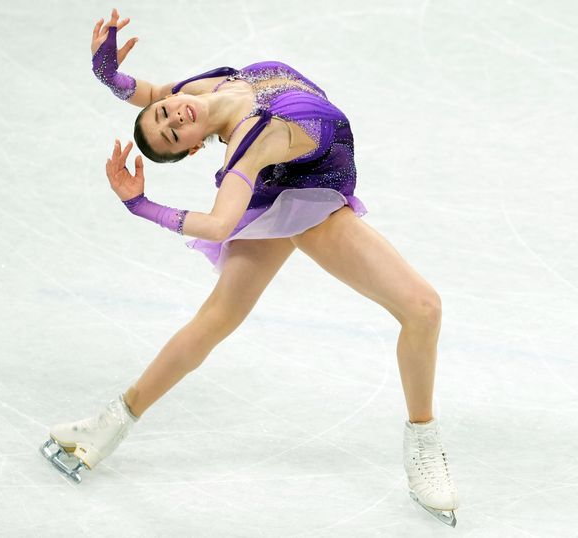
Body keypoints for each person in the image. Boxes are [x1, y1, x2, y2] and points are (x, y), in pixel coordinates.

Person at [39, 8, 459, 527]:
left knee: (219, 319)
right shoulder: (250, 140)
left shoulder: (203, 86)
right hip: (306, 200)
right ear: (194, 150)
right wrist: (141, 205)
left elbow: (146, 92)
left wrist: (108, 75)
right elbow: (219, 225)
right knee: (422, 307)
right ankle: (424, 444)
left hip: (290, 181)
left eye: (167, 114)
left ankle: (110, 425)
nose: (173, 118)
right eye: (171, 134)